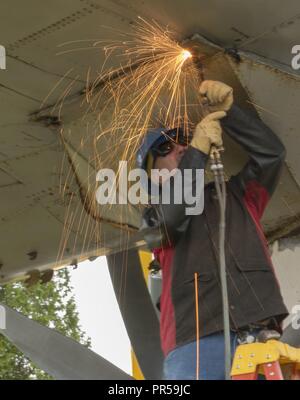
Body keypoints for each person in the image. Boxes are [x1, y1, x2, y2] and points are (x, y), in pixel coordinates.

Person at [136, 80, 288, 380]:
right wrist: (197, 152)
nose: (179, 147)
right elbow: (172, 216)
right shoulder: (154, 217)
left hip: (258, 335)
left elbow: (271, 155)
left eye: (183, 140)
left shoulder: (238, 196)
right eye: (166, 147)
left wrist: (231, 113)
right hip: (195, 345)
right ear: (151, 175)